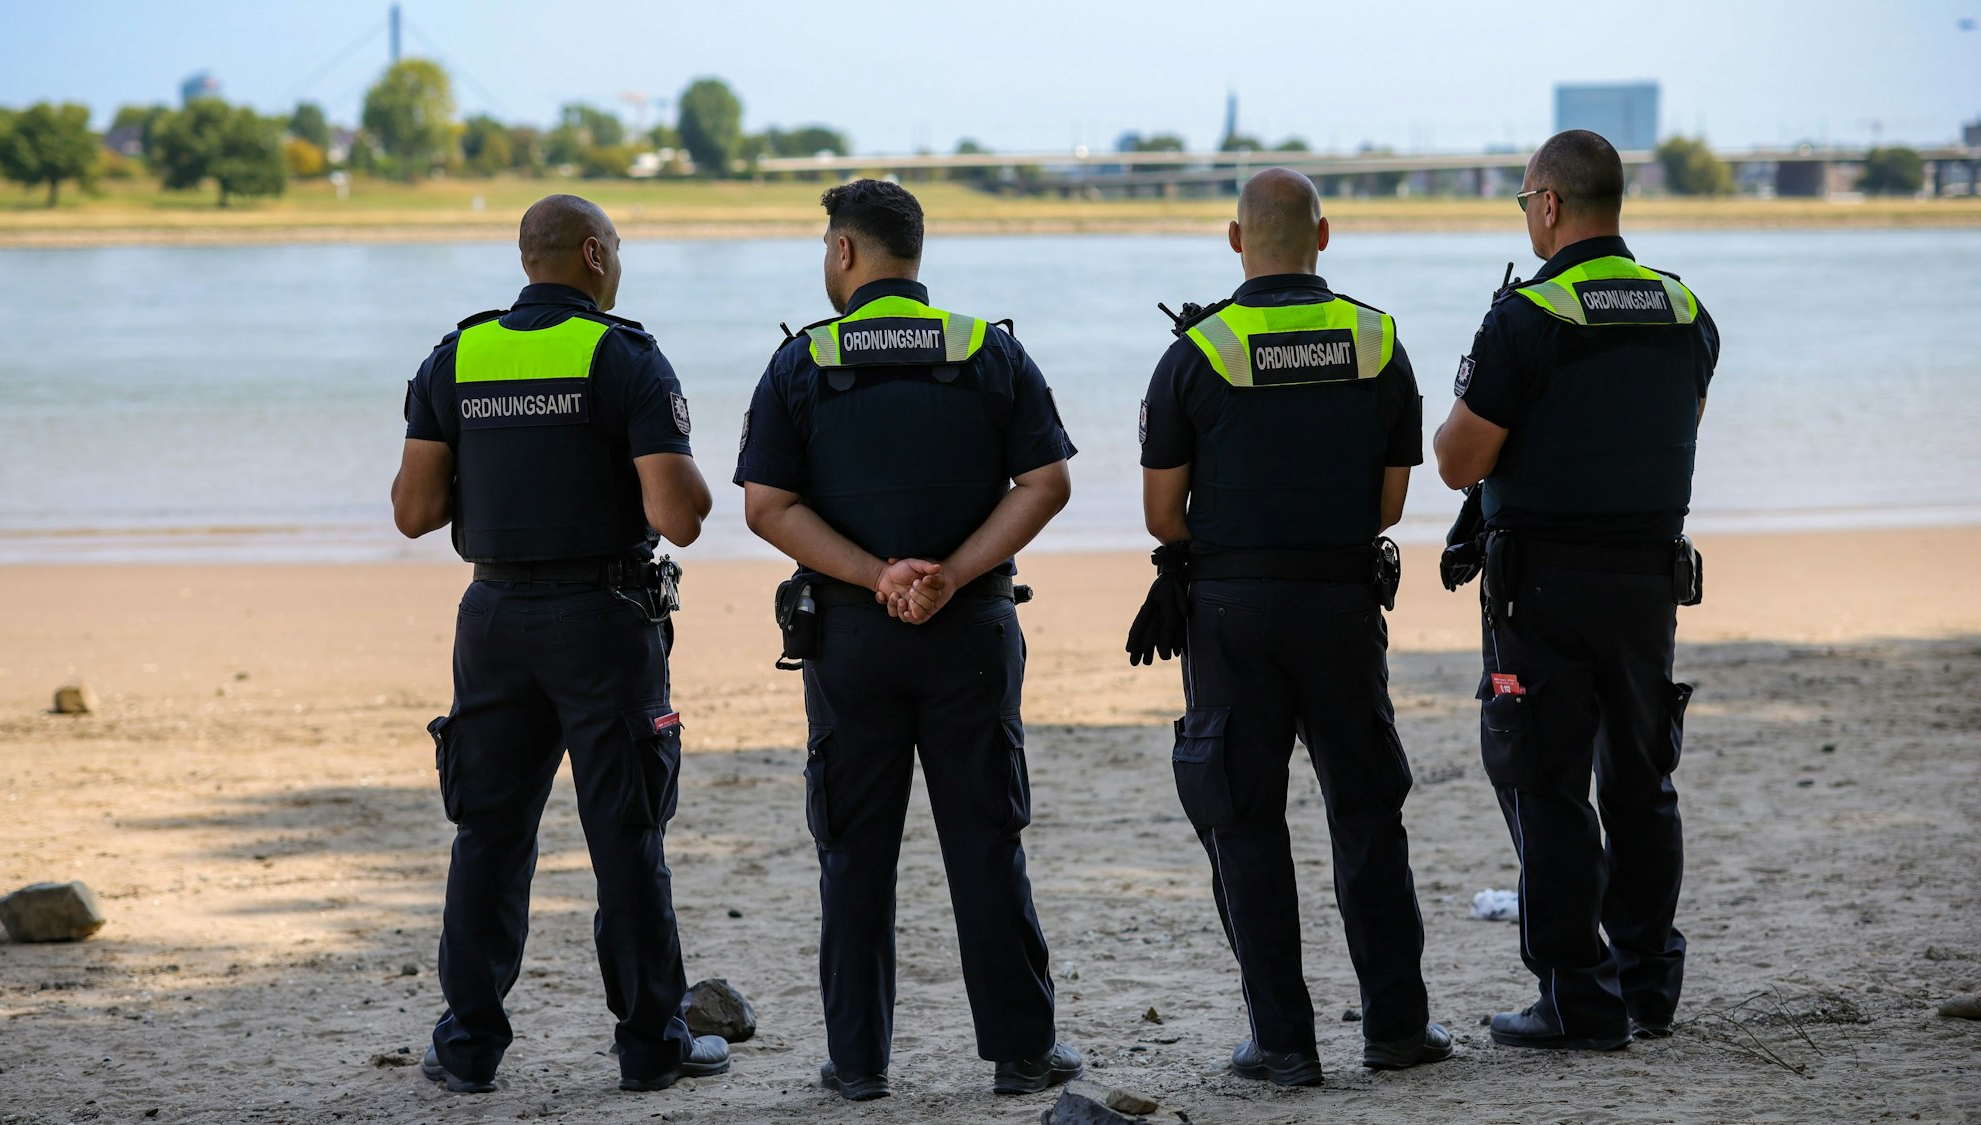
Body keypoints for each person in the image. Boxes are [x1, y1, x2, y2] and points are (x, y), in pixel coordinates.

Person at [734, 179, 1082, 1101]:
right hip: (968, 631)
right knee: (986, 841)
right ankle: (1021, 1055)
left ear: (845, 254)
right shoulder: (988, 350)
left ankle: (858, 1065)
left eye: (825, 248)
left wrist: (873, 576)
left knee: (853, 852)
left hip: (852, 641)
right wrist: (952, 574)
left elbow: (767, 506)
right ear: (914, 254)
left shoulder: (802, 362)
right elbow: (1045, 484)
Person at [390, 193, 726, 1094]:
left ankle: (466, 1048)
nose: (619, 261)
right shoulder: (623, 356)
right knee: (625, 838)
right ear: (590, 253)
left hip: (493, 619)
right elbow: (678, 519)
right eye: (616, 248)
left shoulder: (456, 355)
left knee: (488, 836)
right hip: (603, 622)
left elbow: (414, 511)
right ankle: (653, 1047)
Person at [1134, 167, 1452, 1086]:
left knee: (1245, 820)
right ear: (1325, 235)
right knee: (1367, 814)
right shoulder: (1378, 339)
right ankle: (1396, 1027)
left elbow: (1163, 517)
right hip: (1344, 606)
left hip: (1232, 615)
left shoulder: (1197, 351)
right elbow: (1390, 502)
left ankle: (1283, 1042)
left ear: (1237, 241)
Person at [1433, 130, 1720, 1051]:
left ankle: (1577, 998)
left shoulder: (1528, 317)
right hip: (1647, 582)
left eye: (1525, 204)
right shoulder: (1686, 310)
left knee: (1544, 780)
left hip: (1543, 589)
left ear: (1549, 205)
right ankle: (1648, 983)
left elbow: (1457, 461)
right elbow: (1680, 424)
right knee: (1643, 778)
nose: (1528, 219)